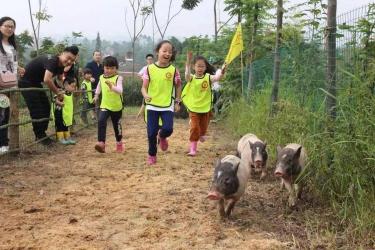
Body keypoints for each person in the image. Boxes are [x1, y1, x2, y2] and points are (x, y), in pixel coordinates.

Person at [18, 45, 79, 145]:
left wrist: (69, 88)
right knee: (36, 109)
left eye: (72, 61)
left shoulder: (61, 66)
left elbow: (60, 80)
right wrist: (58, 92)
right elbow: (47, 79)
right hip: (26, 82)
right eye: (68, 58)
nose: (69, 62)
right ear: (62, 53)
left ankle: (42, 133)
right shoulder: (53, 61)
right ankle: (40, 136)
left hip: (36, 83)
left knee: (46, 107)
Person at [141, 40, 182, 165]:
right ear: (157, 52)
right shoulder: (149, 69)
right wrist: (145, 94)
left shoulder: (174, 70)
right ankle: (152, 155)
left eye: (170, 52)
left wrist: (177, 101)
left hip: (167, 105)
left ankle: (163, 136)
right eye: (164, 51)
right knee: (151, 133)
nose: (167, 53)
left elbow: (179, 86)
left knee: (168, 129)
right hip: (152, 105)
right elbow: (143, 87)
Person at [182, 51, 226, 156]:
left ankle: (201, 133)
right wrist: (187, 63)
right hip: (194, 107)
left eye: (202, 66)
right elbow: (187, 75)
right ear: (194, 67)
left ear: (205, 67)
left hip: (205, 107)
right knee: (194, 127)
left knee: (204, 126)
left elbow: (217, 78)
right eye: (198, 66)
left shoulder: (208, 77)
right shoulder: (191, 78)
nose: (200, 68)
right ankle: (193, 149)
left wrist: (222, 71)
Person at [0, 16, 24, 153]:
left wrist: (19, 68)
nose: (9, 29)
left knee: (5, 113)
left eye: (12, 27)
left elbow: (12, 63)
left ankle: (3, 143)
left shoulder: (12, 46)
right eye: (6, 26)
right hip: (1, 85)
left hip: (10, 84)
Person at [93, 56, 124, 153]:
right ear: (103, 68)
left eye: (112, 68)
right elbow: (99, 86)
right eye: (107, 68)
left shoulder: (118, 78)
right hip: (105, 105)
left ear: (116, 68)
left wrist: (112, 87)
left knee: (116, 126)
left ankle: (119, 142)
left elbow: (120, 91)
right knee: (101, 121)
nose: (109, 70)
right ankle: (101, 143)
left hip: (117, 107)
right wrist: (96, 95)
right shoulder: (101, 77)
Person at [53, 77, 76, 145]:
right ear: (66, 85)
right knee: (60, 125)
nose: (73, 88)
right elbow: (55, 100)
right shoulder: (62, 93)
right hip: (60, 112)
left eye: (74, 86)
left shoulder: (70, 93)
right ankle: (61, 138)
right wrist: (60, 103)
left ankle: (68, 138)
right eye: (72, 86)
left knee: (66, 125)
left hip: (66, 113)